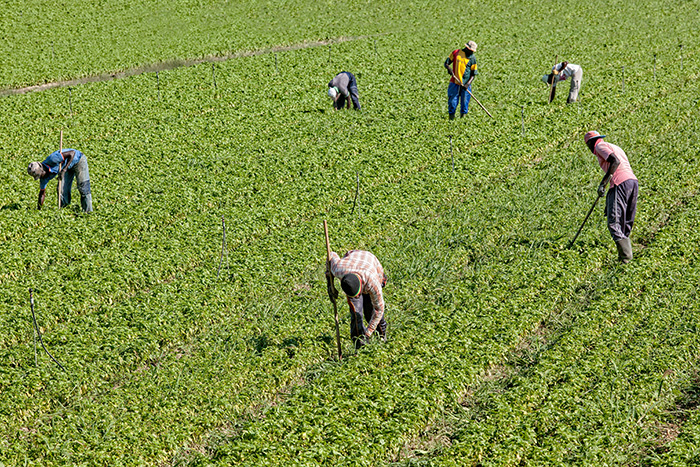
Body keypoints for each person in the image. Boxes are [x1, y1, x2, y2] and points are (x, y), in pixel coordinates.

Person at [584, 131, 638, 263]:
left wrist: (602, 184)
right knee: (625, 219)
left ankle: (625, 258)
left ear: (591, 143)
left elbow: (615, 162)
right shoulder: (614, 146)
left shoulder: (599, 147)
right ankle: (626, 256)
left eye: (588, 145)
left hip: (620, 182)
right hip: (632, 182)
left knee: (614, 222)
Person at [328, 249, 387, 349]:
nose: (355, 298)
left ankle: (381, 338)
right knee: (356, 314)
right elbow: (331, 255)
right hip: (352, 260)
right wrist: (330, 284)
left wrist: (368, 333)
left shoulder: (372, 282)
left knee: (371, 311)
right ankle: (359, 346)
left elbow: (379, 309)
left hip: (370, 263)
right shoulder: (338, 269)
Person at [27, 148, 93, 213]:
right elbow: (42, 194)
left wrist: (64, 170)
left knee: (83, 187)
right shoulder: (43, 177)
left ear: (42, 168)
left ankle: (88, 212)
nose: (42, 177)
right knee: (61, 189)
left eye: (41, 175)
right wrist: (39, 210)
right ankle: (65, 209)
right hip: (66, 166)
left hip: (78, 160)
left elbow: (72, 153)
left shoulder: (52, 159)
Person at [444, 41, 478, 119]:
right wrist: (449, 69)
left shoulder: (472, 58)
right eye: (471, 50)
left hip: (466, 84)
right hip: (454, 82)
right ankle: (451, 118)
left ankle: (463, 119)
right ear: (467, 48)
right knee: (452, 102)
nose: (472, 52)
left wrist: (467, 84)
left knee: (465, 102)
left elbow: (473, 74)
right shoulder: (456, 53)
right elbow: (446, 63)